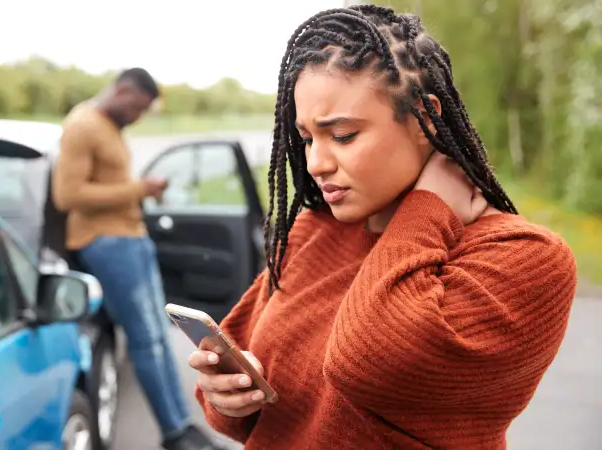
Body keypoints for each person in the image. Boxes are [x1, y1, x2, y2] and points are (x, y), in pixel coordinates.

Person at [188, 5, 577, 450]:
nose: (316, 163)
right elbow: (249, 401)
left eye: (343, 135)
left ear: (424, 118)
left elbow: (368, 364)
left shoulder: (525, 257)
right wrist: (228, 400)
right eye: (308, 138)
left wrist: (427, 209)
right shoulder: (313, 231)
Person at [52, 68, 226, 450]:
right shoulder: (82, 125)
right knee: (146, 340)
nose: (138, 116)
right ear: (122, 90)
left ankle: (185, 426)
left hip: (131, 239)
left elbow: (106, 184)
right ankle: (174, 434)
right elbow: (68, 195)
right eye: (137, 107)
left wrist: (139, 193)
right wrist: (139, 189)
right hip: (106, 244)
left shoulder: (109, 126)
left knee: (161, 339)